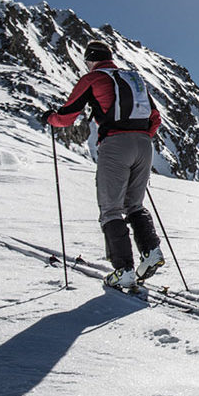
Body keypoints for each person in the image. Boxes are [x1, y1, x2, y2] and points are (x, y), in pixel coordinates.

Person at [38, 40, 166, 290]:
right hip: (144, 144)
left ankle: (124, 270)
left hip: (115, 144)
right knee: (134, 205)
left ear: (91, 60)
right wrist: (140, 137)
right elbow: (155, 117)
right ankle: (151, 252)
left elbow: (66, 117)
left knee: (110, 209)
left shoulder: (93, 78)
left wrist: (50, 118)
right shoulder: (134, 78)